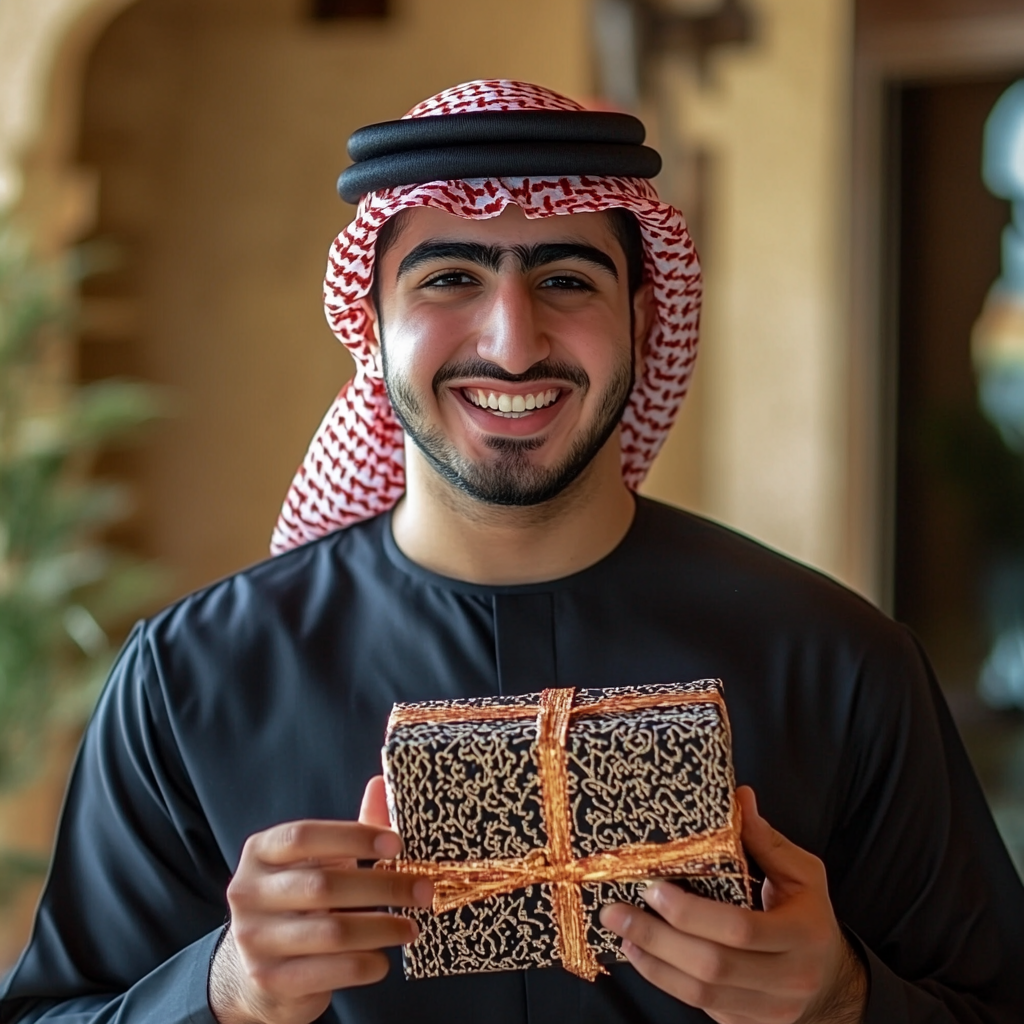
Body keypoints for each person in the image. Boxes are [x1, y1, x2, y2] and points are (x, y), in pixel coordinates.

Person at [2, 79, 1023, 1024]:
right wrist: (221, 987)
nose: (513, 341)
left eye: (567, 279)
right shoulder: (192, 678)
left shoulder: (838, 662)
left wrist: (845, 998)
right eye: (449, 276)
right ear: (370, 324)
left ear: (643, 311)